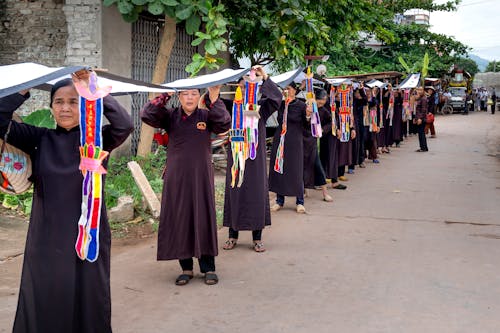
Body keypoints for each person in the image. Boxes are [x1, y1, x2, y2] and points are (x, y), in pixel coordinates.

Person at [1, 70, 134, 333]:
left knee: (88, 293)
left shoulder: (98, 139)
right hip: (46, 236)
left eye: (73, 102)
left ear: (83, 104)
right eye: (59, 102)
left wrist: (92, 90)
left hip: (88, 234)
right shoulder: (39, 139)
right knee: (46, 293)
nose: (65, 108)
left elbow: (125, 124)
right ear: (50, 108)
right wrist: (24, 89)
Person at [141, 84, 231, 286]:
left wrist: (215, 99)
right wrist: (164, 95)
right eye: (185, 94)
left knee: (202, 217)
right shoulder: (170, 116)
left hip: (200, 177)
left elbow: (224, 124)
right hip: (177, 178)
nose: (189, 98)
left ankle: (208, 268)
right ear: (179, 97)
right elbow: (147, 115)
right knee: (180, 218)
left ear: (199, 96)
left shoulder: (206, 117)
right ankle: (186, 268)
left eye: (193, 94)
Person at [221, 66, 282, 253]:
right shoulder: (231, 107)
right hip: (236, 156)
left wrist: (264, 77)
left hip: (255, 157)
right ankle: (232, 235)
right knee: (235, 190)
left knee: (256, 193)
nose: (248, 87)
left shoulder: (261, 109)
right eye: (244, 84)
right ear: (238, 87)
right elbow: (213, 105)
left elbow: (276, 98)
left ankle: (257, 238)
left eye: (251, 85)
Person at [269, 82, 311, 213]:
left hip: (295, 141)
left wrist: (308, 115)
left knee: (296, 170)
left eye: (288, 89)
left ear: (294, 90)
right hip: (280, 140)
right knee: (280, 169)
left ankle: (300, 201)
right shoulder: (281, 104)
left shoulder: (302, 105)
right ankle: (279, 201)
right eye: (284, 89)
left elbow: (306, 125)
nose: (286, 91)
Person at [303, 89, 333, 202]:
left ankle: (325, 193)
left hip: (313, 141)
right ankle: (305, 191)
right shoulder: (305, 106)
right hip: (302, 139)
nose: (321, 104)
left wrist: (322, 129)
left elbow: (331, 123)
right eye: (319, 102)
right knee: (303, 165)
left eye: (323, 103)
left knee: (317, 165)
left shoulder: (324, 111)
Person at [414, 86, 428, 152]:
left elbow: (423, 110)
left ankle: (423, 148)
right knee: (420, 133)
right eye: (418, 90)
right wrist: (416, 118)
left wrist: (420, 118)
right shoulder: (419, 98)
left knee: (421, 133)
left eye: (421, 90)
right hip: (419, 118)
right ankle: (423, 147)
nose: (419, 91)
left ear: (423, 91)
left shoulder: (423, 99)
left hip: (422, 119)